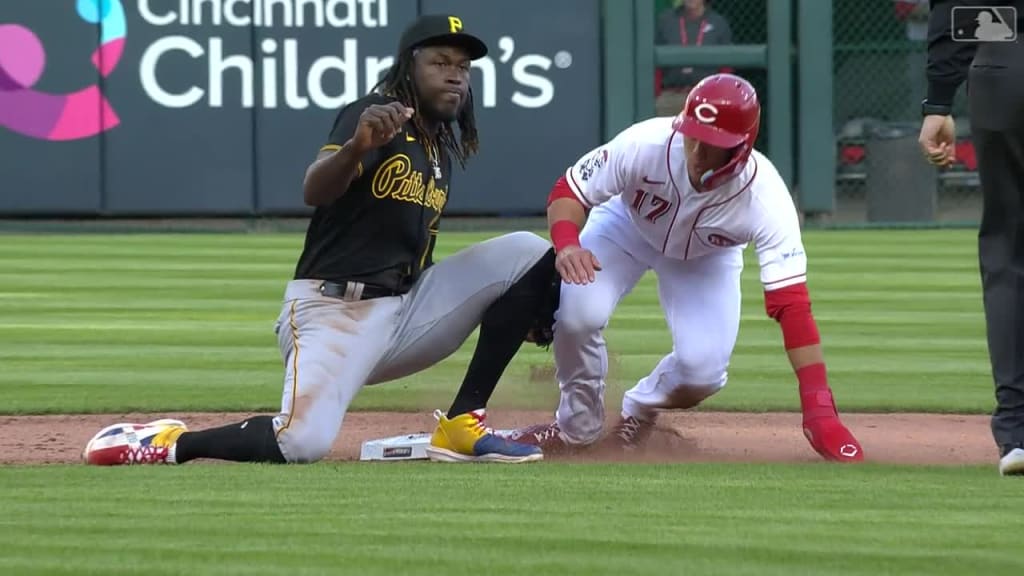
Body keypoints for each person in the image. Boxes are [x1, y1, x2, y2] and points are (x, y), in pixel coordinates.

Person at [81, 14, 561, 467]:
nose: (455, 75)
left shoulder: (438, 150)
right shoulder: (371, 118)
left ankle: (461, 424)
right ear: (408, 67)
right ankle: (167, 443)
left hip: (403, 312)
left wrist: (520, 306)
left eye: (463, 67)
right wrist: (357, 147)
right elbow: (315, 189)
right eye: (439, 62)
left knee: (527, 250)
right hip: (334, 314)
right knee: (301, 442)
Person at [509, 73, 864, 463]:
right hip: (623, 228)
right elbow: (569, 190)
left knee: (702, 373)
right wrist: (567, 244)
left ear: (741, 148)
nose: (695, 150)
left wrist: (819, 410)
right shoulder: (646, 143)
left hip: (705, 259)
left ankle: (638, 411)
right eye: (692, 134)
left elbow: (791, 304)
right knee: (578, 315)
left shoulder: (765, 198)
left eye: (711, 144)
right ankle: (575, 429)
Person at [918, 0, 1024, 476]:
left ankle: (1018, 434)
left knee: (1008, 250)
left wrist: (939, 100)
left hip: (1005, 57)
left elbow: (963, 10)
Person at [654, 0, 733, 118]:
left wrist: (721, 96)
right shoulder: (665, 21)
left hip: (706, 97)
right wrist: (656, 94)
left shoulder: (718, 23)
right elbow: (655, 65)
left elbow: (726, 67)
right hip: (671, 95)